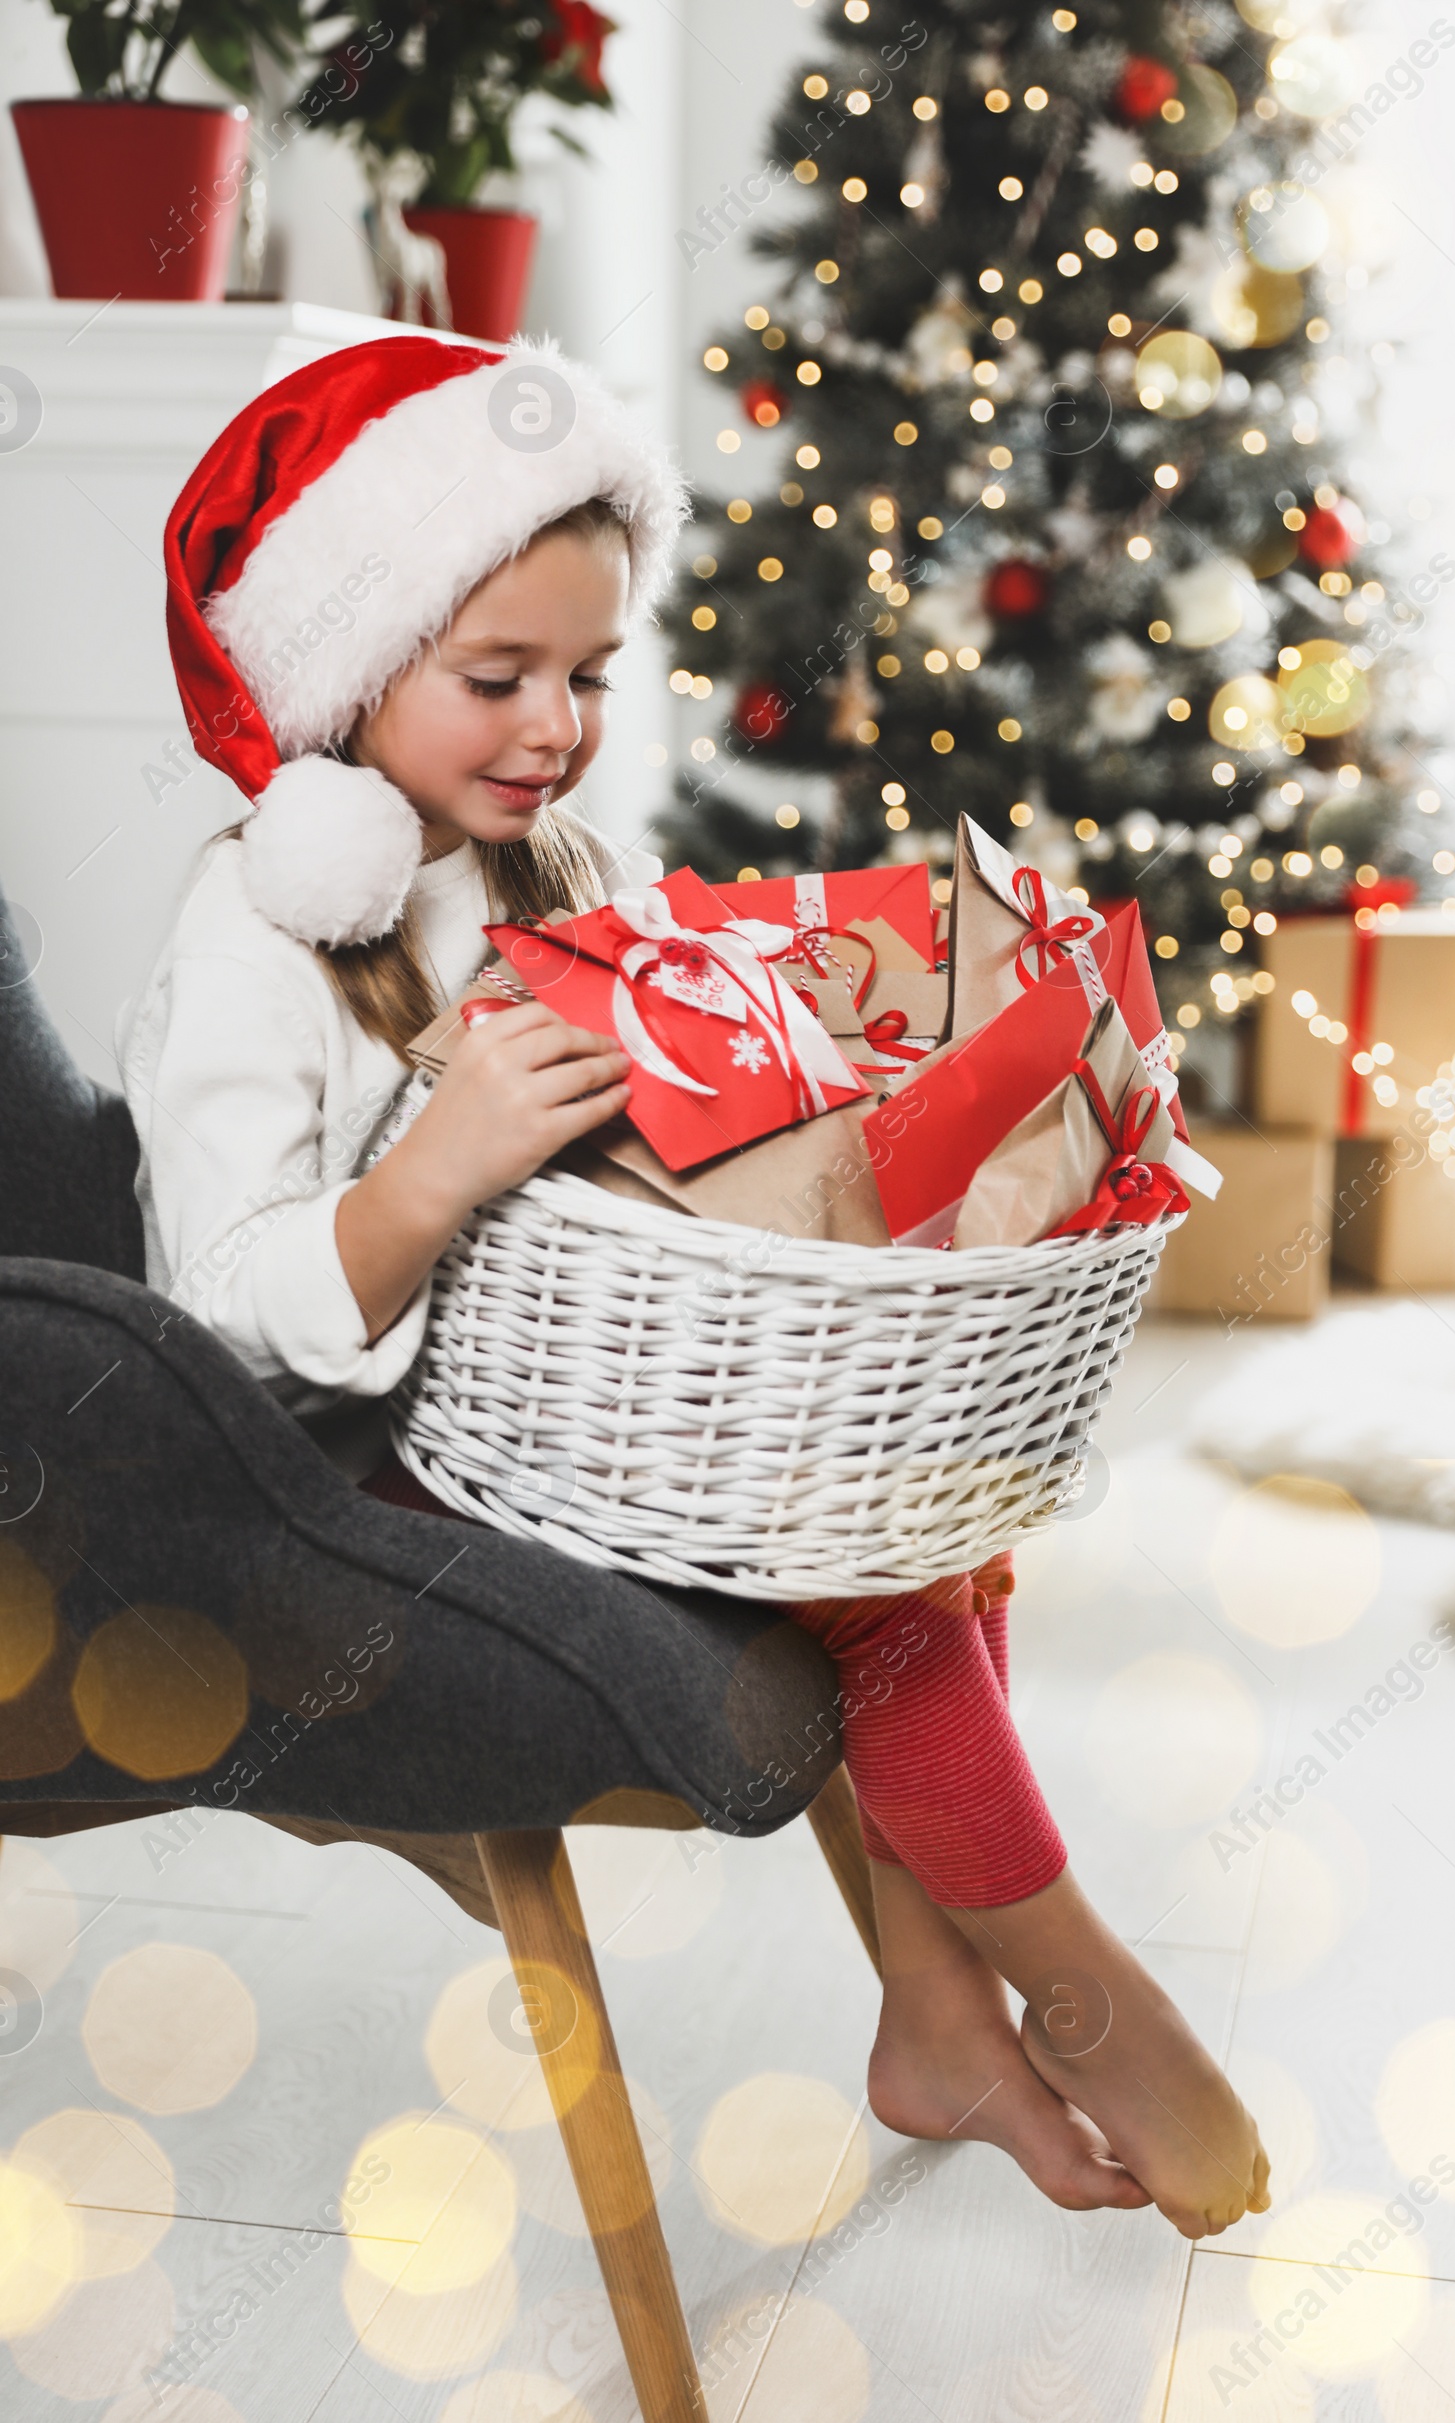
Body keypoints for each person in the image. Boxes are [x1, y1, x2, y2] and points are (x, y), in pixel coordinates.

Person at [119, 336, 1269, 2242]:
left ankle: (934, 2014)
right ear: (347, 674)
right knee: (872, 1567)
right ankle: (1077, 1985)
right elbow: (214, 1309)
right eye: (497, 679)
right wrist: (436, 1167)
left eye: (584, 676)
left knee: (932, 1502)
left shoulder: (548, 868)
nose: (552, 724)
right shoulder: (259, 933)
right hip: (366, 1473)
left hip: (595, 1422)